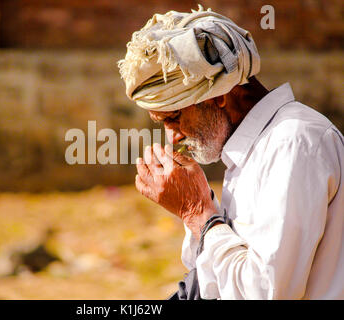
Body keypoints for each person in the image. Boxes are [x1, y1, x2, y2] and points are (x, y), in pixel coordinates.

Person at [118, 6, 343, 299]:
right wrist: (199, 208)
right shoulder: (253, 150)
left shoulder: (293, 143)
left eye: (174, 118)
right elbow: (215, 279)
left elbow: (266, 292)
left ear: (220, 95)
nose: (172, 137)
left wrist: (199, 213)